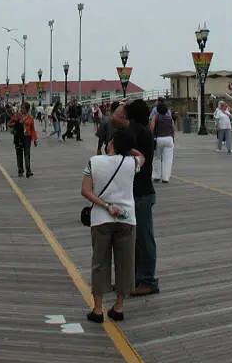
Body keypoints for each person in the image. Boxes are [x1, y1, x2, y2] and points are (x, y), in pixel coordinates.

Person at [81, 126, 145, 323]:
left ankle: (98, 309)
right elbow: (141, 156)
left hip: (101, 219)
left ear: (111, 143)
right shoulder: (131, 162)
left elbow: (85, 191)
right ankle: (118, 307)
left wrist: (107, 206)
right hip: (127, 218)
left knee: (100, 262)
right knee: (125, 263)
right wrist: (128, 148)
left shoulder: (95, 162)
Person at [113, 99, 158, 297]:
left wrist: (123, 104)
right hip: (140, 192)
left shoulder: (136, 131)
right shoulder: (143, 130)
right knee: (136, 238)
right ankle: (136, 278)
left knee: (142, 238)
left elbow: (115, 118)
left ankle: (148, 280)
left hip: (139, 193)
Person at [9, 102, 38, 178]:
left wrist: (35, 139)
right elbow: (10, 124)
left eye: (24, 108)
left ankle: (28, 170)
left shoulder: (30, 118)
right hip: (18, 137)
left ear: (27, 109)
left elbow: (33, 129)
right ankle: (20, 170)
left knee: (27, 153)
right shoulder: (17, 115)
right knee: (19, 154)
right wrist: (17, 123)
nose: (22, 109)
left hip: (27, 137)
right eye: (22, 108)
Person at [150, 102, 175, 183]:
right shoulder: (170, 118)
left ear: (157, 110)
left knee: (157, 157)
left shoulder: (156, 117)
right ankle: (166, 177)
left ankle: (156, 176)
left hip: (159, 139)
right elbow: (173, 129)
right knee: (168, 159)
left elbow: (151, 128)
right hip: (169, 139)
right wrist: (172, 138)